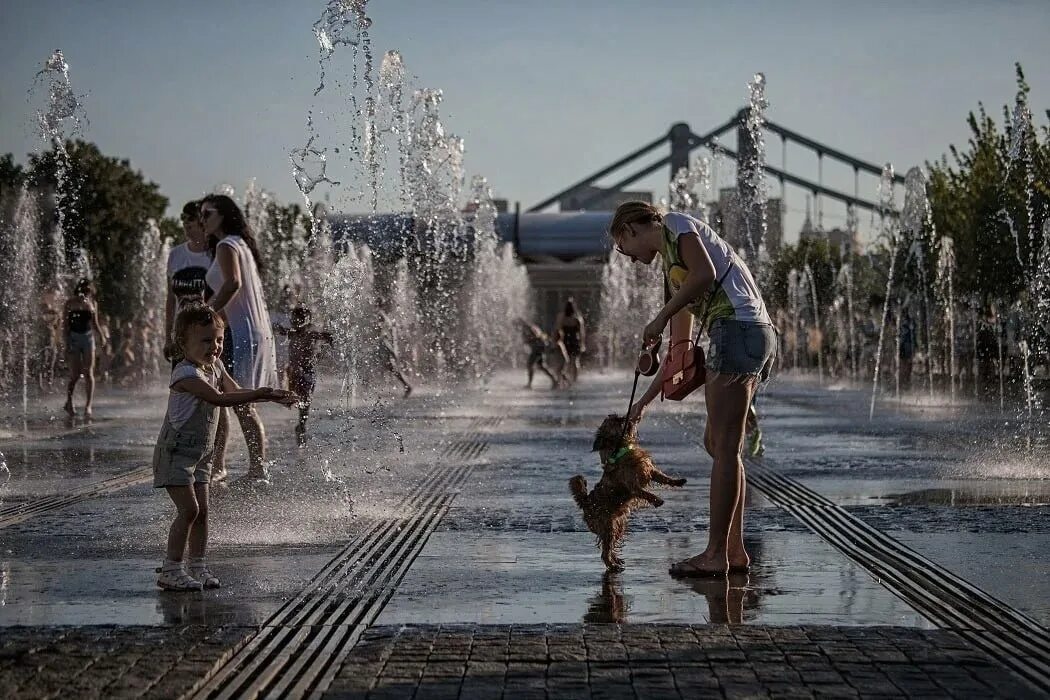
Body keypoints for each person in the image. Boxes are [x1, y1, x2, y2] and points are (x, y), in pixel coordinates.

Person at [611, 202, 776, 577]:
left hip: (738, 330)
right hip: (745, 335)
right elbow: (679, 353)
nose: (630, 260)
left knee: (726, 449)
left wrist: (660, 316)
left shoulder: (676, 225)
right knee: (719, 446)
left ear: (630, 229)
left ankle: (716, 554)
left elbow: (706, 274)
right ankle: (733, 551)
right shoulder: (673, 271)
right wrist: (643, 403)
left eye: (623, 248)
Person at [153, 303, 295, 591]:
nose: (214, 347)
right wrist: (260, 393)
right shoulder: (185, 375)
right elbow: (219, 399)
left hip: (201, 455)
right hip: (176, 454)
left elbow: (233, 391)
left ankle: (198, 566)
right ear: (184, 343)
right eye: (205, 340)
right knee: (189, 511)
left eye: (218, 339)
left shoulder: (214, 367)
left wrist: (270, 395)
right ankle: (171, 568)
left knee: (203, 512)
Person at [201, 194, 279, 482]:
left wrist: (204, 314)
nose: (203, 220)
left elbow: (233, 283)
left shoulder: (225, 245)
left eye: (207, 214)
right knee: (236, 401)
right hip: (247, 330)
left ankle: (243, 467)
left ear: (223, 215)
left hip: (237, 332)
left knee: (233, 400)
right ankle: (246, 466)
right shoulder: (240, 244)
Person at [274, 304, 333, 446]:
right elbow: (282, 331)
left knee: (306, 400)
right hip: (294, 371)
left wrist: (327, 340)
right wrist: (275, 328)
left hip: (308, 371)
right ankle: (300, 423)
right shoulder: (293, 333)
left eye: (300, 320)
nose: (297, 323)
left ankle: (301, 425)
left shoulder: (311, 333)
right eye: (294, 320)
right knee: (296, 398)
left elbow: (324, 336)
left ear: (308, 320)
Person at [164, 200, 213, 363]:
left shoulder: (215, 254)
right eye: (183, 218)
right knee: (181, 384)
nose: (185, 222)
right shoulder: (175, 255)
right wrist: (168, 338)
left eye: (190, 218)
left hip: (208, 336)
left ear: (202, 220)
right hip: (182, 335)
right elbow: (171, 299)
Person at [63, 278, 108, 419]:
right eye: (85, 290)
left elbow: (94, 323)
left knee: (89, 372)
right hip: (74, 338)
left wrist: (102, 336)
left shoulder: (92, 303)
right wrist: (66, 343)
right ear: (79, 289)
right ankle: (69, 402)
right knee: (75, 374)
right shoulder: (70, 303)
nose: (87, 293)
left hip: (88, 338)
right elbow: (66, 325)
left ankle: (88, 405)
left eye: (89, 290)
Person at [377, 309, 413, 397]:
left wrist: (392, 351)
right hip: (383, 344)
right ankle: (405, 385)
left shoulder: (380, 314)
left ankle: (406, 385)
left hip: (383, 344)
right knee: (390, 368)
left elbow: (384, 334)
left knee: (391, 367)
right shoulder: (383, 315)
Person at [554, 299, 586, 385]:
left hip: (565, 341)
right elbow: (582, 333)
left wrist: (556, 341)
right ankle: (575, 378)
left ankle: (562, 378)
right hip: (575, 340)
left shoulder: (562, 318)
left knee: (564, 361)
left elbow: (557, 330)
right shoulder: (577, 319)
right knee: (575, 361)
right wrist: (583, 343)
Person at [520, 319, 558, 389]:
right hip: (538, 348)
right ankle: (554, 379)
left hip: (537, 349)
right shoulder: (529, 328)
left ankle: (529, 384)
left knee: (530, 365)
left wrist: (528, 340)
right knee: (541, 366)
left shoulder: (528, 328)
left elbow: (538, 337)